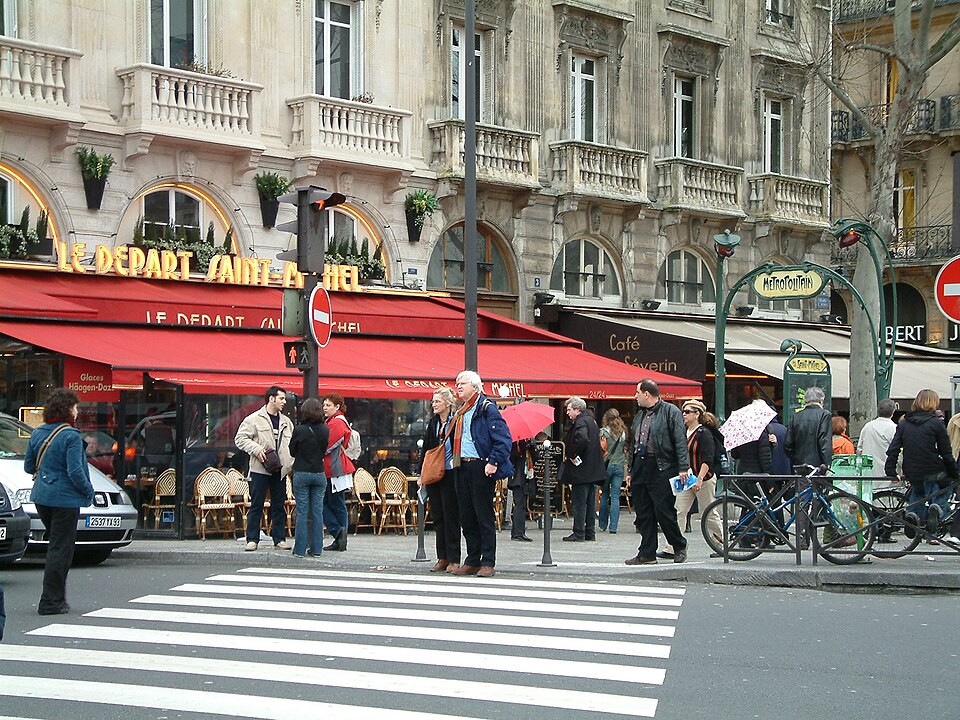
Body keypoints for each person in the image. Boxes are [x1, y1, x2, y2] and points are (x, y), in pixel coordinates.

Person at [23, 388, 95, 615]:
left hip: (42, 497)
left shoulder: (38, 433)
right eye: (75, 407)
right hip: (64, 500)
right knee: (61, 549)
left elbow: (28, 466)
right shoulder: (71, 436)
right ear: (67, 410)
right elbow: (75, 470)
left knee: (56, 546)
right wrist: (89, 491)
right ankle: (51, 601)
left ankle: (54, 599)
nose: (77, 411)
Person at [450, 370, 514, 577]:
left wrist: (493, 462)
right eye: (457, 383)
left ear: (475, 387)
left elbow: (503, 439)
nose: (458, 386)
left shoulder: (486, 408)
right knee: (466, 516)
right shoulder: (461, 411)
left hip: (480, 466)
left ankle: (488, 561)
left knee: (483, 515)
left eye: (463, 383)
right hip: (461, 466)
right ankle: (472, 559)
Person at [625, 379, 689, 566]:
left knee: (664, 511)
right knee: (643, 513)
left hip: (662, 466)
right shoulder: (639, 416)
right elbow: (632, 445)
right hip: (641, 466)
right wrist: (630, 470)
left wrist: (683, 467)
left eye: (637, 392)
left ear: (647, 394)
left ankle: (678, 545)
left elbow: (680, 441)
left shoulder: (671, 412)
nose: (635, 396)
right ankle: (647, 553)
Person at [884, 389, 959, 537]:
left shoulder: (904, 424)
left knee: (918, 491)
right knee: (946, 487)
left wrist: (890, 470)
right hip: (933, 468)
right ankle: (937, 507)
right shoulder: (936, 424)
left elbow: (893, 449)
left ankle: (912, 514)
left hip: (911, 470)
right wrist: (953, 472)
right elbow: (946, 452)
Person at [235, 386, 294, 551]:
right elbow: (240, 439)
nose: (284, 402)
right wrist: (256, 449)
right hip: (260, 469)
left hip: (280, 469)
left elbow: (292, 445)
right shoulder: (254, 419)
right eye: (281, 398)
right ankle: (252, 539)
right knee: (256, 504)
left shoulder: (286, 422)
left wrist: (290, 463)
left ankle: (279, 539)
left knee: (278, 504)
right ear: (271, 399)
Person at [662, 400, 721, 559]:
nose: (684, 414)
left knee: (708, 512)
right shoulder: (683, 432)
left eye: (688, 411)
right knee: (679, 510)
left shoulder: (704, 433)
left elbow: (707, 459)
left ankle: (722, 545)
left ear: (697, 414)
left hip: (704, 478)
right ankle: (672, 546)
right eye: (683, 411)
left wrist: (700, 479)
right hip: (686, 478)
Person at [420, 387, 461, 572]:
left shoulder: (456, 421)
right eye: (433, 401)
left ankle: (454, 558)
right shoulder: (433, 423)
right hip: (434, 472)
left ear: (447, 403)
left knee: (451, 515)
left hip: (451, 472)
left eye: (437, 401)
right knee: (437, 516)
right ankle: (442, 556)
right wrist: (422, 474)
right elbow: (427, 450)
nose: (433, 404)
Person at [288, 398, 329, 558]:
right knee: (317, 512)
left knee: (303, 512)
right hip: (319, 473)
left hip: (302, 472)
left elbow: (292, 451)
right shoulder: (325, 429)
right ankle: (317, 549)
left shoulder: (300, 430)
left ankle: (299, 549)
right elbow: (324, 450)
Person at [560, 397, 605, 542]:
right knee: (590, 502)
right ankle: (589, 532)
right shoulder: (591, 421)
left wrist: (573, 454)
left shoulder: (580, 422)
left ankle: (579, 532)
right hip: (592, 469)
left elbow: (582, 439)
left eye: (569, 409)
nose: (567, 412)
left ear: (577, 410)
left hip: (582, 470)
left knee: (579, 502)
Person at [322, 393, 356, 552]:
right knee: (335, 503)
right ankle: (340, 535)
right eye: (324, 405)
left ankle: (339, 533)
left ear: (337, 406)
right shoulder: (336, 421)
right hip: (336, 467)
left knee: (331, 503)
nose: (324, 408)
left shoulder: (336, 423)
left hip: (334, 468)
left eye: (328, 405)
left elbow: (327, 445)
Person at [784, 386, 832, 470]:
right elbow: (824, 442)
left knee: (802, 483)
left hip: (800, 466)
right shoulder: (824, 415)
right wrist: (827, 464)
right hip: (818, 467)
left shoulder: (796, 416)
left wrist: (796, 459)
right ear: (821, 400)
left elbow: (787, 444)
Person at [599, 408, 628, 534]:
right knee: (615, 496)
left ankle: (603, 524)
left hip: (607, 465)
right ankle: (613, 527)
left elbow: (601, 449)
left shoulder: (603, 432)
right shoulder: (623, 433)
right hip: (620, 466)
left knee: (605, 495)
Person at [858, 399, 898, 476]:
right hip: (887, 475)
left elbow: (859, 449)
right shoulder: (894, 429)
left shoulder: (867, 426)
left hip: (868, 473)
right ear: (893, 412)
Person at [508, 439, 533, 542]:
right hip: (518, 478)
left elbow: (536, 456)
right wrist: (523, 445)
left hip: (525, 477)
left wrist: (531, 445)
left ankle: (517, 532)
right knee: (520, 505)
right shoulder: (515, 443)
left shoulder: (527, 445)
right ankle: (518, 532)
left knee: (521, 504)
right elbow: (513, 457)